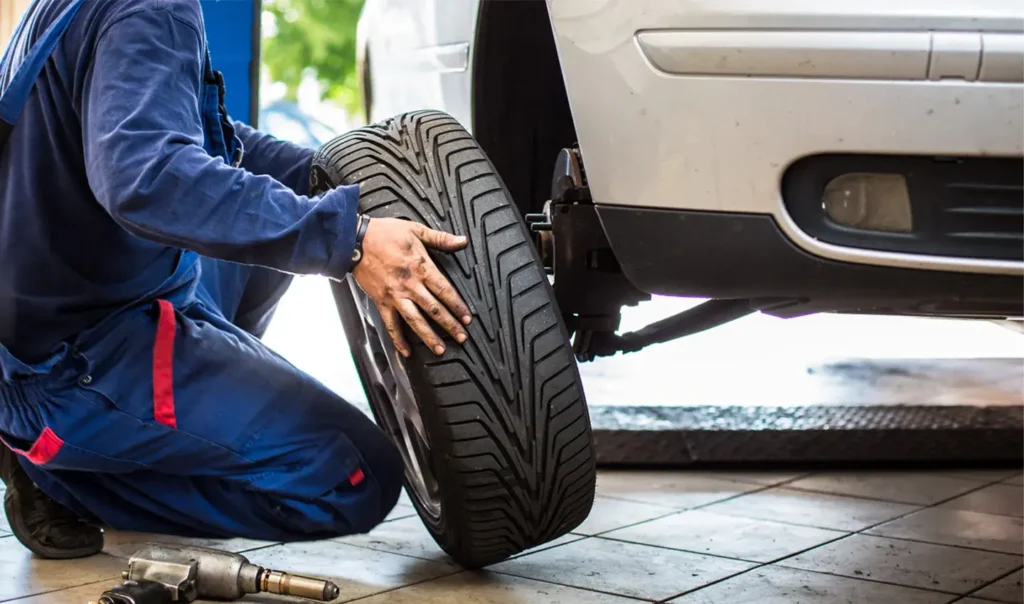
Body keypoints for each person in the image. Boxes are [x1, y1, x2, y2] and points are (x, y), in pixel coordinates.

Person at [0, 0, 472, 559]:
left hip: (73, 308)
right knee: (355, 476)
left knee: (258, 247)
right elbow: (145, 179)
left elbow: (195, 136)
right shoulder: (153, 8)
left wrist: (335, 179)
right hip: (71, 361)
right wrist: (348, 242)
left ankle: (189, 417)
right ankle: (61, 474)